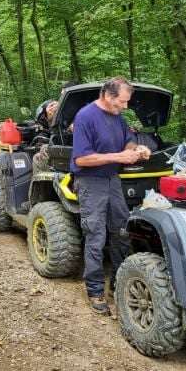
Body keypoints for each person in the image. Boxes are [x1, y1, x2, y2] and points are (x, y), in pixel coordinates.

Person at [71, 76, 151, 315]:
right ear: (108, 95)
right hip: (90, 182)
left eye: (127, 102)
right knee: (95, 235)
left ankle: (118, 281)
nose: (125, 106)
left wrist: (136, 149)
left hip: (112, 180)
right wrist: (118, 157)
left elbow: (128, 140)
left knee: (121, 230)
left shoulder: (118, 117)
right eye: (123, 101)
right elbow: (81, 159)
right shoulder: (85, 117)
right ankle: (95, 290)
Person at [32, 99, 58, 173]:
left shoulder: (67, 121)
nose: (53, 107)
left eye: (54, 105)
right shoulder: (41, 126)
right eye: (51, 105)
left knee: (37, 157)